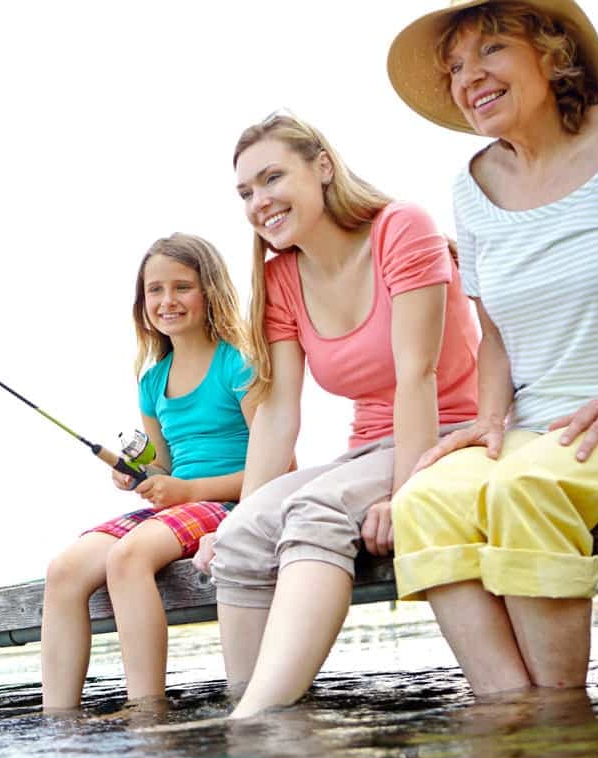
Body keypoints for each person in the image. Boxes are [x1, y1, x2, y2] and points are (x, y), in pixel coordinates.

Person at [386, 0, 598, 695]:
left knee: (524, 487)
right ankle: (511, 716)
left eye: (491, 50)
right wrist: (488, 419)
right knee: (423, 499)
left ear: (552, 52)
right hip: (538, 427)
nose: (468, 77)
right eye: (454, 67)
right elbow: (496, 336)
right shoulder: (471, 186)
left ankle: (560, 720)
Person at [194, 113, 480, 718]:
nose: (259, 201)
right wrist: (237, 515)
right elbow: (278, 413)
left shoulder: (401, 227)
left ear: (322, 167)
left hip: (452, 436)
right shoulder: (280, 277)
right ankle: (260, 736)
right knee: (239, 537)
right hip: (367, 451)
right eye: (245, 192)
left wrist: (407, 495)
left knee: (316, 509)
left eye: (272, 178)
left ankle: (253, 719)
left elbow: (418, 375)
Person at [41, 233, 254, 710]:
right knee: (64, 570)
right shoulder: (153, 380)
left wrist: (188, 490)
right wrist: (136, 474)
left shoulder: (238, 363)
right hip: (181, 506)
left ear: (210, 291)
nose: (167, 300)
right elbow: (164, 467)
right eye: (155, 290)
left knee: (128, 557)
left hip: (230, 503)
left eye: (182, 287)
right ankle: (59, 721)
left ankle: (147, 712)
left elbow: (279, 469)